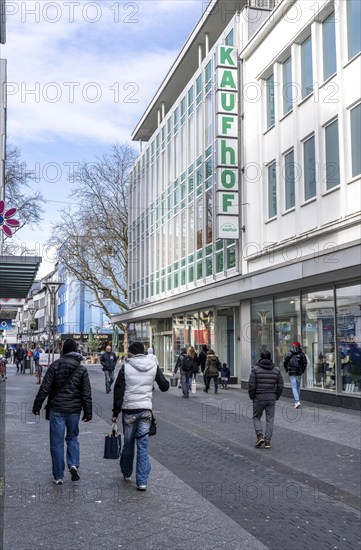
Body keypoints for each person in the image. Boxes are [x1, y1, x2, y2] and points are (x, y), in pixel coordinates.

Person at [32, 338, 92, 485]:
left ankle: (58, 476)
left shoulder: (55, 365)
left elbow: (45, 388)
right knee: (72, 437)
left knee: (56, 442)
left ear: (64, 350)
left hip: (57, 409)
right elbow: (86, 393)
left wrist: (37, 405)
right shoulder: (81, 369)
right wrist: (88, 411)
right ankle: (73, 464)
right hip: (74, 410)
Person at [112, 341, 169, 491]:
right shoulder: (153, 365)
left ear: (131, 352)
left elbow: (118, 391)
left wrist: (115, 412)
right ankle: (142, 481)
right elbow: (164, 386)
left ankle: (126, 472)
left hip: (129, 410)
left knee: (129, 443)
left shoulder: (126, 367)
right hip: (146, 411)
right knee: (143, 445)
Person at [248, 349, 284, 449]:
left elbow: (251, 385)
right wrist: (276, 396)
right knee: (270, 419)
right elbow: (281, 385)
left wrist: (252, 396)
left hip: (258, 397)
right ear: (270, 357)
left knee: (256, 417)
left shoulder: (255, 369)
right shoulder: (276, 370)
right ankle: (267, 442)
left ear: (261, 357)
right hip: (271, 397)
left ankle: (259, 436)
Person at [283, 341, 307, 408]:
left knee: (294, 387)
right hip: (299, 372)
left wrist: (287, 370)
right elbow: (305, 363)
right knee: (298, 387)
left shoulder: (289, 353)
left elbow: (284, 362)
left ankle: (297, 401)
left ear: (293, 346)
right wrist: (303, 370)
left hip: (292, 373)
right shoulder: (302, 354)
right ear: (299, 346)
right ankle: (297, 401)